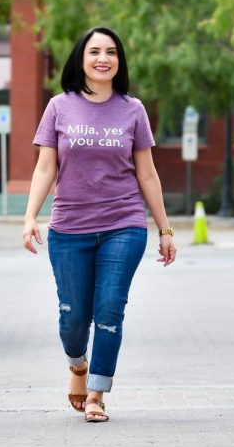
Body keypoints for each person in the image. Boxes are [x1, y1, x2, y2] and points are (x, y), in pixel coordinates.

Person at [22, 26, 177, 423]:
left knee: (110, 310)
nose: (103, 58)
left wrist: (164, 229)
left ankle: (97, 394)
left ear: (119, 61)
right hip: (69, 226)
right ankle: (78, 366)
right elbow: (44, 168)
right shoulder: (59, 106)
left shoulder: (133, 109)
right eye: (94, 52)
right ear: (81, 59)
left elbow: (147, 174)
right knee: (73, 316)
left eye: (111, 52)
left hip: (124, 224)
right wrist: (30, 217)